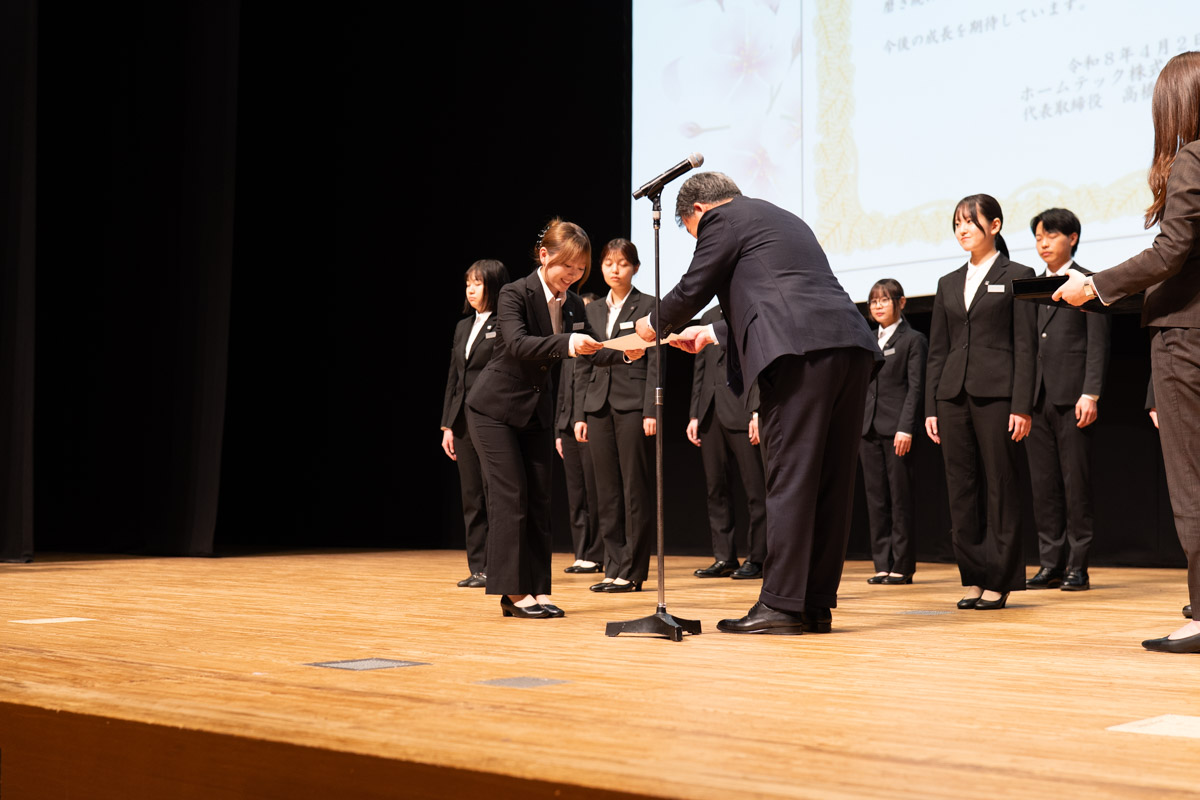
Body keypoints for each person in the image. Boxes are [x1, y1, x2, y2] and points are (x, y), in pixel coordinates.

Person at [634, 172, 880, 635]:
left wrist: (651, 325)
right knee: (830, 481)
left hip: (800, 354)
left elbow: (694, 286)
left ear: (698, 211)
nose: (697, 238)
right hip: (848, 346)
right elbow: (781, 292)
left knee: (789, 475)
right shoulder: (781, 218)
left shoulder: (722, 221)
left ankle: (781, 605)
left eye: (691, 232)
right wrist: (710, 333)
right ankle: (812, 604)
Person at [1055, 51, 1200, 652]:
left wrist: (1096, 285)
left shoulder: (1193, 156)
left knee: (1192, 482)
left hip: (1188, 340)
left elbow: (1172, 251)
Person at [466, 219, 641, 619]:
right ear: (544, 257)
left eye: (580, 269)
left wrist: (629, 350)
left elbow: (593, 348)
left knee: (541, 500)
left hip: (535, 412)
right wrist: (567, 343)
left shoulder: (575, 304)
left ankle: (538, 590)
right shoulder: (514, 294)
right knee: (511, 497)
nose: (574, 276)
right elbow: (517, 343)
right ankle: (513, 592)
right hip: (493, 409)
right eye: (568, 267)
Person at [924, 194, 1037, 611]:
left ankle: (1001, 579)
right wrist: (931, 407)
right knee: (961, 489)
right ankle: (973, 577)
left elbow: (1026, 347)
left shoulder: (1018, 274)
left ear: (995, 225)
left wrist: (1022, 404)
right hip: (952, 395)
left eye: (971, 221)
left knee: (1001, 486)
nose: (963, 229)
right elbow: (938, 350)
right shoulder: (947, 282)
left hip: (999, 394)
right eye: (957, 223)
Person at [1024, 209, 1110, 593]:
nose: (1043, 243)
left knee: (1076, 485)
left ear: (1072, 237)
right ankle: (1050, 564)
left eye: (1051, 236)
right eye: (1039, 237)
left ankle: (1078, 566)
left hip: (1074, 395)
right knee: (1044, 486)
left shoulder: (1088, 281)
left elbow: (1097, 341)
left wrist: (1090, 392)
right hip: (1037, 398)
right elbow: (1026, 345)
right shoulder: (1031, 285)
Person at [573, 239, 657, 593]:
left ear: (635, 267)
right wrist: (579, 413)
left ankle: (633, 571)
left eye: (622, 263)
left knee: (634, 488)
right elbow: (582, 366)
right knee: (605, 490)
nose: (614, 269)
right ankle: (612, 565)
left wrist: (652, 409)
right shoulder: (590, 310)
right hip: (597, 406)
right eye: (608, 263)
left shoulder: (648, 306)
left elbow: (656, 361)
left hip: (634, 405)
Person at [440, 259, 509, 588]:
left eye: (478, 283)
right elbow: (455, 379)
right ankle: (478, 566)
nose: (470, 289)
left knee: (493, 492)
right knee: (472, 496)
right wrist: (447, 425)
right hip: (463, 422)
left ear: (493, 286)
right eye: (468, 282)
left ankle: (499, 565)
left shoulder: (503, 323)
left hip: (491, 419)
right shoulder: (462, 327)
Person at [688, 305, 767, 580]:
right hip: (710, 412)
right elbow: (700, 368)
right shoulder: (709, 316)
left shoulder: (749, 310)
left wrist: (757, 411)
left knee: (756, 489)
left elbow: (760, 363)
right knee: (716, 489)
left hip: (742, 411)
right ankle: (724, 557)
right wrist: (695, 414)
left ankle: (758, 558)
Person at [860, 279, 927, 586]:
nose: (878, 306)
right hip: (868, 428)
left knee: (900, 499)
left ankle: (901, 565)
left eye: (884, 300)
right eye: (874, 301)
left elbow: (916, 388)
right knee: (876, 500)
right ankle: (882, 563)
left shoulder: (913, 339)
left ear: (901, 303)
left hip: (897, 428)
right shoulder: (866, 339)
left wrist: (906, 427)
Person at [555, 292, 603, 575]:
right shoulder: (569, 345)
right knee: (576, 494)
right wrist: (559, 430)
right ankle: (581, 552)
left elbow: (588, 386)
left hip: (586, 422)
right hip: (566, 425)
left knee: (594, 492)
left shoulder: (592, 348)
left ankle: (597, 553)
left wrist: (580, 417)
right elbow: (564, 388)